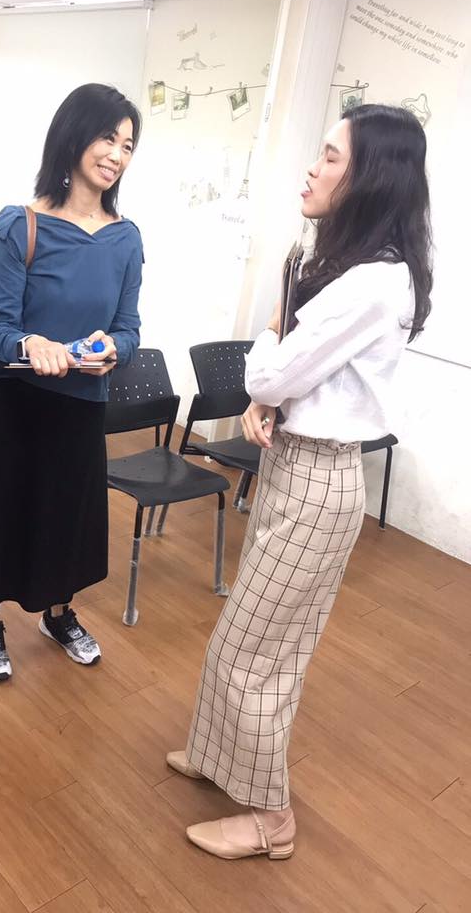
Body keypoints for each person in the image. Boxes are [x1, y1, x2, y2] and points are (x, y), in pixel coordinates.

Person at [168, 104, 433, 858]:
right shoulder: (344, 264)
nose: (312, 169)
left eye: (330, 156)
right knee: (265, 641)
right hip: (293, 462)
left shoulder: (374, 283)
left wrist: (267, 357)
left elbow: (272, 370)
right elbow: (291, 382)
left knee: (249, 650)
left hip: (318, 481)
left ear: (371, 177)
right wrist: (270, 395)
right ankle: (218, 757)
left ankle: (270, 819)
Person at [0, 83, 143, 680]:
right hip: (20, 405)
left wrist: (115, 348)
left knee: (68, 515)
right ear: (73, 135)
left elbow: (130, 328)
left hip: (83, 402)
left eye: (128, 145)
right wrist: (31, 344)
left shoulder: (126, 237)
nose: (116, 154)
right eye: (107, 137)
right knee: (5, 513)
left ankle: (59, 613)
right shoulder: (21, 225)